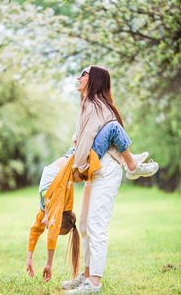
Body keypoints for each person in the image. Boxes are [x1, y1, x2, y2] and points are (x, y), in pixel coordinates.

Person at [62, 65, 158, 294]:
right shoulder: (86, 106)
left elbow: (86, 140)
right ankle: (86, 275)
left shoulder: (96, 106)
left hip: (105, 171)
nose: (78, 77)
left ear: (93, 80)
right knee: (84, 225)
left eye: (83, 74)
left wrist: (79, 166)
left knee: (96, 226)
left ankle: (94, 283)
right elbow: (79, 141)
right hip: (93, 172)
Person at [26, 121, 158, 284]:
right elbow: (49, 231)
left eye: (49, 226)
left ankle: (129, 162)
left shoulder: (46, 207)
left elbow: (35, 231)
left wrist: (31, 258)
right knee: (112, 128)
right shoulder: (55, 203)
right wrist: (47, 263)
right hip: (79, 158)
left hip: (77, 156)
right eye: (51, 225)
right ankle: (130, 163)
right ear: (58, 217)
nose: (46, 227)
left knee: (110, 128)